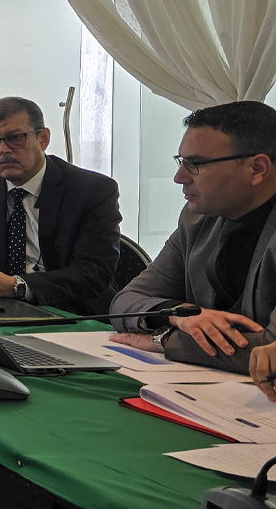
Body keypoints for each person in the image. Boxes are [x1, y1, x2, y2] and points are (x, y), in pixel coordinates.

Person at [110, 101, 276, 374]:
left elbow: (270, 351)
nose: (179, 177)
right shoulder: (196, 219)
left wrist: (166, 340)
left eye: (196, 163)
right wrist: (178, 313)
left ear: (257, 168)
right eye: (181, 162)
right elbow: (125, 301)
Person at [0, 96, 122, 315]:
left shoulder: (92, 190)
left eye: (15, 138)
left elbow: (94, 273)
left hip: (73, 312)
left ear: (43, 139)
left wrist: (15, 286)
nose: (3, 150)